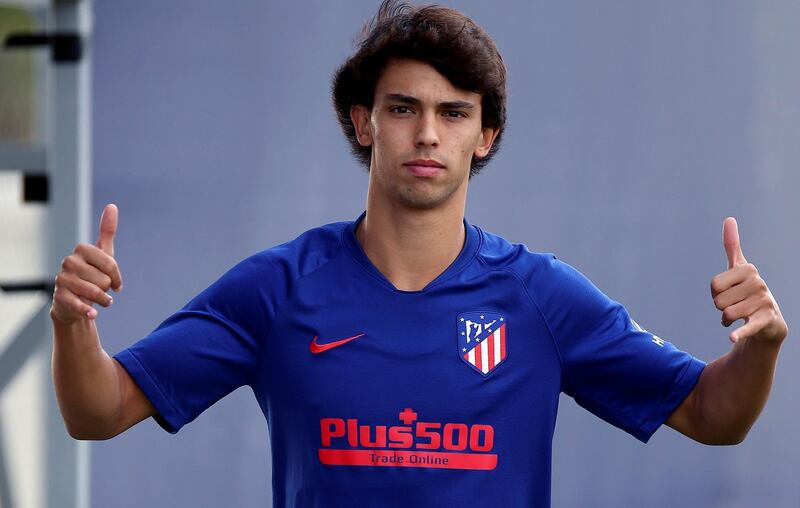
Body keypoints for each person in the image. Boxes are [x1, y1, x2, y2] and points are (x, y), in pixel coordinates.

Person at [50, 1, 788, 506]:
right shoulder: (278, 289)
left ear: (484, 135)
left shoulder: (540, 296)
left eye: (453, 113)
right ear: (364, 122)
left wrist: (757, 350)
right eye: (404, 108)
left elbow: (711, 414)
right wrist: (74, 325)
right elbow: (100, 411)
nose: (428, 134)